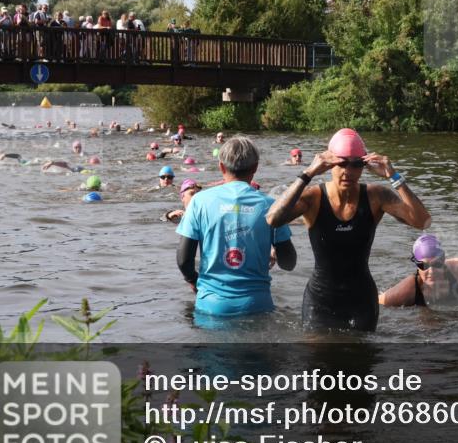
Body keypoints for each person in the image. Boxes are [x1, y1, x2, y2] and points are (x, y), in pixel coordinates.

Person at [266, 128, 431, 332]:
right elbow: (273, 219)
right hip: (320, 302)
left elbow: (423, 221)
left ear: (364, 165)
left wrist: (393, 176)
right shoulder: (314, 197)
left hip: (362, 303)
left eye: (355, 164)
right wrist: (308, 173)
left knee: (361, 362)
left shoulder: (375, 196)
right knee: (316, 361)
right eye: (341, 163)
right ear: (329, 163)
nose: (348, 171)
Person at [177, 136, 297, 317]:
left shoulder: (199, 201)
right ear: (255, 167)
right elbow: (289, 263)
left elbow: (183, 260)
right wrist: (274, 251)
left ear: (221, 167)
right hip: (257, 306)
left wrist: (194, 281)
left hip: (211, 305)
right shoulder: (271, 206)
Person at [378, 234, 458, 307]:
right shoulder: (408, 289)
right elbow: (375, 302)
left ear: (443, 260)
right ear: (416, 264)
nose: (432, 271)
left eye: (437, 264)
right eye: (424, 265)